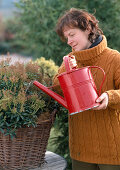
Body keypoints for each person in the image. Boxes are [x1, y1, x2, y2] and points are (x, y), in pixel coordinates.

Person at [53, 8, 120, 170]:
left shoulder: (114, 58)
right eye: (66, 37)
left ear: (88, 29)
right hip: (81, 149)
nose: (68, 41)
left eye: (72, 34)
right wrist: (68, 71)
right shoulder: (69, 60)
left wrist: (109, 97)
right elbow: (56, 89)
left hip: (111, 149)